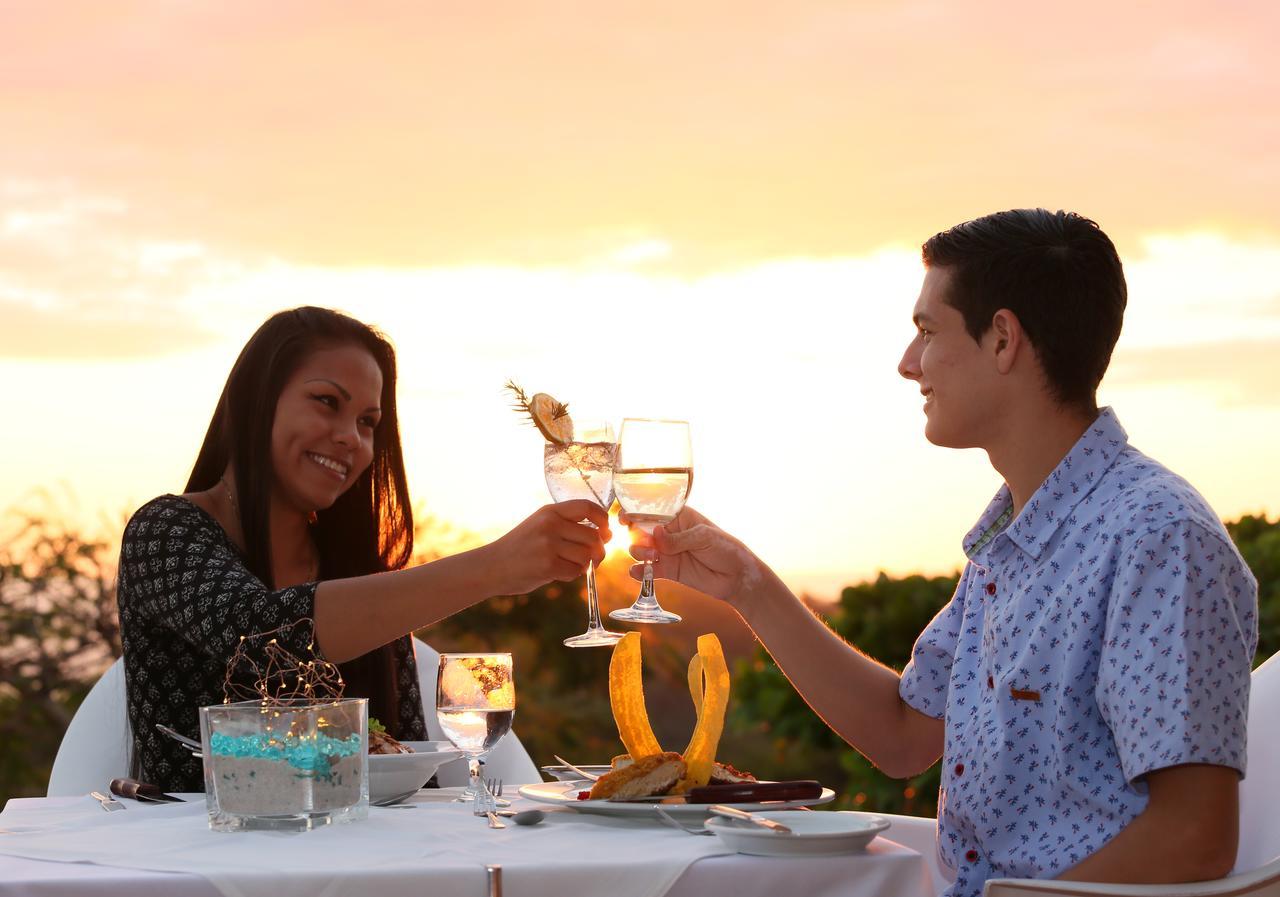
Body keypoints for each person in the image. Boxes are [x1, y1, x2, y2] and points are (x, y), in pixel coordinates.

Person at [628, 210, 1258, 895]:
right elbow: (904, 733)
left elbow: (1195, 834)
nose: (907, 363)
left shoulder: (1157, 535)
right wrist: (747, 585)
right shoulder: (1010, 540)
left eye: (928, 332)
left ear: (1003, 339)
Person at [116, 306, 608, 792]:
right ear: (256, 402)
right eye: (327, 402)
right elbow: (264, 636)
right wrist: (494, 567)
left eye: (368, 421)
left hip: (362, 859)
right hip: (194, 859)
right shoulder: (164, 532)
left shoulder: (358, 577)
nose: (350, 438)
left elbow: (405, 766)